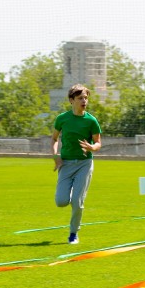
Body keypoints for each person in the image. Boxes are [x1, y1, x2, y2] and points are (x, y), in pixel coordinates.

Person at [51, 84, 102, 245]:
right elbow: (54, 139)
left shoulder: (91, 120)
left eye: (86, 98)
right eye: (80, 98)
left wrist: (92, 147)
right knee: (61, 202)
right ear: (71, 100)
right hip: (65, 163)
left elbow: (98, 143)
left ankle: (73, 233)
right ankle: (73, 192)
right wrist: (55, 155)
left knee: (77, 202)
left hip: (84, 164)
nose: (84, 101)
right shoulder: (62, 119)